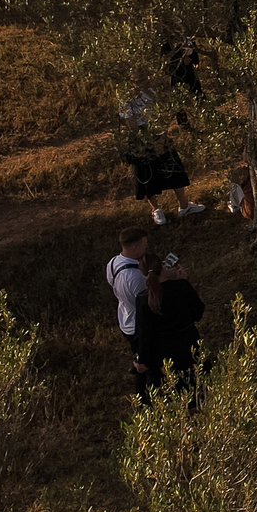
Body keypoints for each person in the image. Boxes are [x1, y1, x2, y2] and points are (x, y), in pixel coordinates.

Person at [118, 89, 204, 226]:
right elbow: (132, 125)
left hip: (158, 134)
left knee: (174, 168)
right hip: (142, 139)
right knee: (147, 174)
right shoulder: (126, 99)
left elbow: (161, 114)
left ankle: (184, 206)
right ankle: (156, 209)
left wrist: (162, 137)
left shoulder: (150, 91)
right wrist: (150, 143)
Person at [105, 228, 155, 402]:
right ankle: (144, 398)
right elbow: (147, 304)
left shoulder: (113, 263)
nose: (146, 246)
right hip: (138, 326)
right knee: (146, 363)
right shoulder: (134, 277)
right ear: (135, 246)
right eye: (144, 243)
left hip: (125, 320)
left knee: (140, 357)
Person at [156, 252, 207, 401]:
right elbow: (198, 312)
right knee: (199, 379)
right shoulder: (181, 287)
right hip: (188, 340)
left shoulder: (147, 297)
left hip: (165, 347)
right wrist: (184, 281)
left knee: (177, 386)